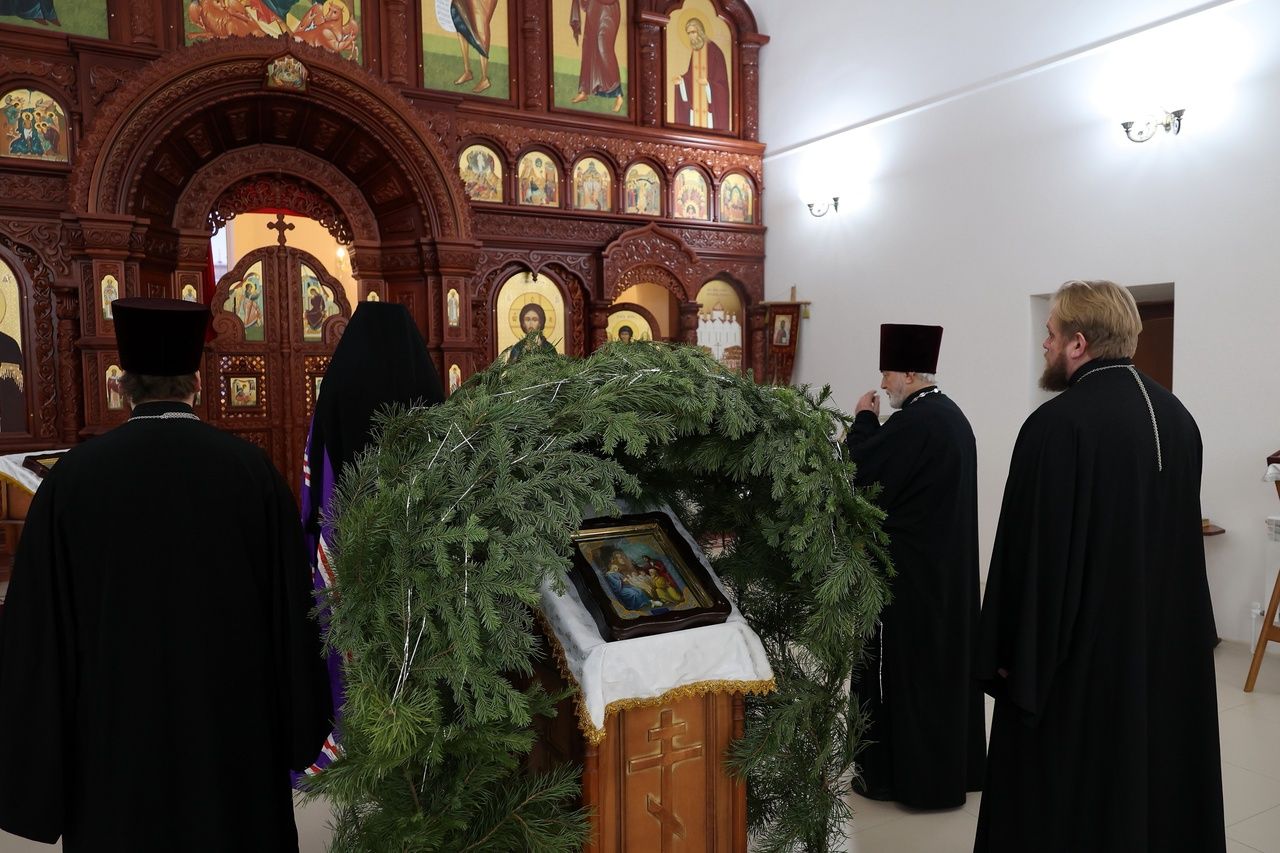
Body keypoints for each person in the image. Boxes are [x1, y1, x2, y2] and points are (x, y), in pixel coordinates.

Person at [0, 297, 331, 849]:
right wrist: (300, 725)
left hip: (115, 739)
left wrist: (36, 772)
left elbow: (38, 631)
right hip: (231, 736)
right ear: (196, 382)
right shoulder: (249, 471)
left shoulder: (73, 479)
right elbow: (293, 612)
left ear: (122, 385)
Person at [974, 281, 1225, 851]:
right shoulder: (1178, 418)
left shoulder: (1056, 424)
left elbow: (1031, 556)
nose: (1044, 344)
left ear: (1078, 343)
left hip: (1080, 661)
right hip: (1159, 647)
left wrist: (1009, 658)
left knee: (1068, 792)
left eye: (1050, 333)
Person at [298, 300, 445, 778]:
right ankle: (417, 728)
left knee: (355, 627)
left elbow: (319, 467)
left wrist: (316, 525)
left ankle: (355, 727)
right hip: (417, 535)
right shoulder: (426, 385)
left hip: (350, 534)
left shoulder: (340, 383)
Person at [845, 323, 985, 809]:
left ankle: (899, 779)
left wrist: (863, 421)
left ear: (908, 374)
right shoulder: (951, 417)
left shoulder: (918, 421)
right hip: (944, 576)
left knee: (906, 677)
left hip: (909, 580)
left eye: (887, 373)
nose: (883, 384)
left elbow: (863, 477)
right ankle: (954, 772)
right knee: (941, 675)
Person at [672, 17, 729, 130]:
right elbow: (690, 76)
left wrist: (708, 84)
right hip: (695, 107)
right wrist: (681, 81)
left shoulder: (715, 52)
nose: (691, 36)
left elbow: (722, 85)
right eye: (689, 33)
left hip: (709, 110)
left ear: (700, 31)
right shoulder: (696, 52)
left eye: (693, 32)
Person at [569, 0, 624, 113]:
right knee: (589, 47)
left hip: (609, 12)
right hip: (593, 9)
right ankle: (584, 91)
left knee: (604, 48)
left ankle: (618, 94)